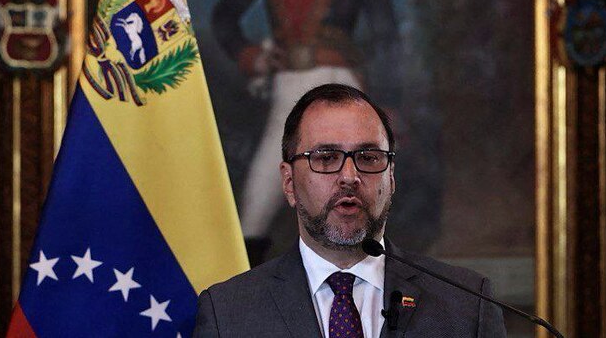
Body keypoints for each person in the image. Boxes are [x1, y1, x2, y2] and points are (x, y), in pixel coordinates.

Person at [193, 84, 506, 337]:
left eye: (368, 157)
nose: (349, 176)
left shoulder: (467, 304)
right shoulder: (228, 315)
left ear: (391, 178)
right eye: (326, 158)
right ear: (288, 182)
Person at [212, 0, 399, 255]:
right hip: (287, 84)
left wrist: (390, 104)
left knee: (358, 193)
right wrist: (253, 56)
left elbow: (386, 34)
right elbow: (224, 18)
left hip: (344, 81)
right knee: (262, 198)